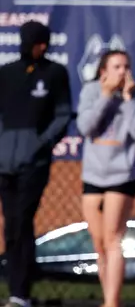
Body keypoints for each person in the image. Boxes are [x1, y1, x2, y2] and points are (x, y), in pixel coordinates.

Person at [0, 21, 71, 307]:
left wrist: (40, 144)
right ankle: (17, 287)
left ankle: (21, 290)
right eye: (37, 42)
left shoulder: (55, 73)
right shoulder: (6, 73)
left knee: (22, 220)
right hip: (5, 164)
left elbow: (62, 115)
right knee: (11, 224)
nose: (41, 47)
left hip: (34, 164)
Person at [78, 50, 135, 307]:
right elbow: (86, 127)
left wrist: (128, 99)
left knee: (113, 237)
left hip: (122, 174)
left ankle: (112, 302)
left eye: (126, 66)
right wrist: (106, 96)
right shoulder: (92, 92)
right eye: (117, 66)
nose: (123, 72)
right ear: (103, 70)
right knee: (99, 243)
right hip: (94, 174)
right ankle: (107, 296)